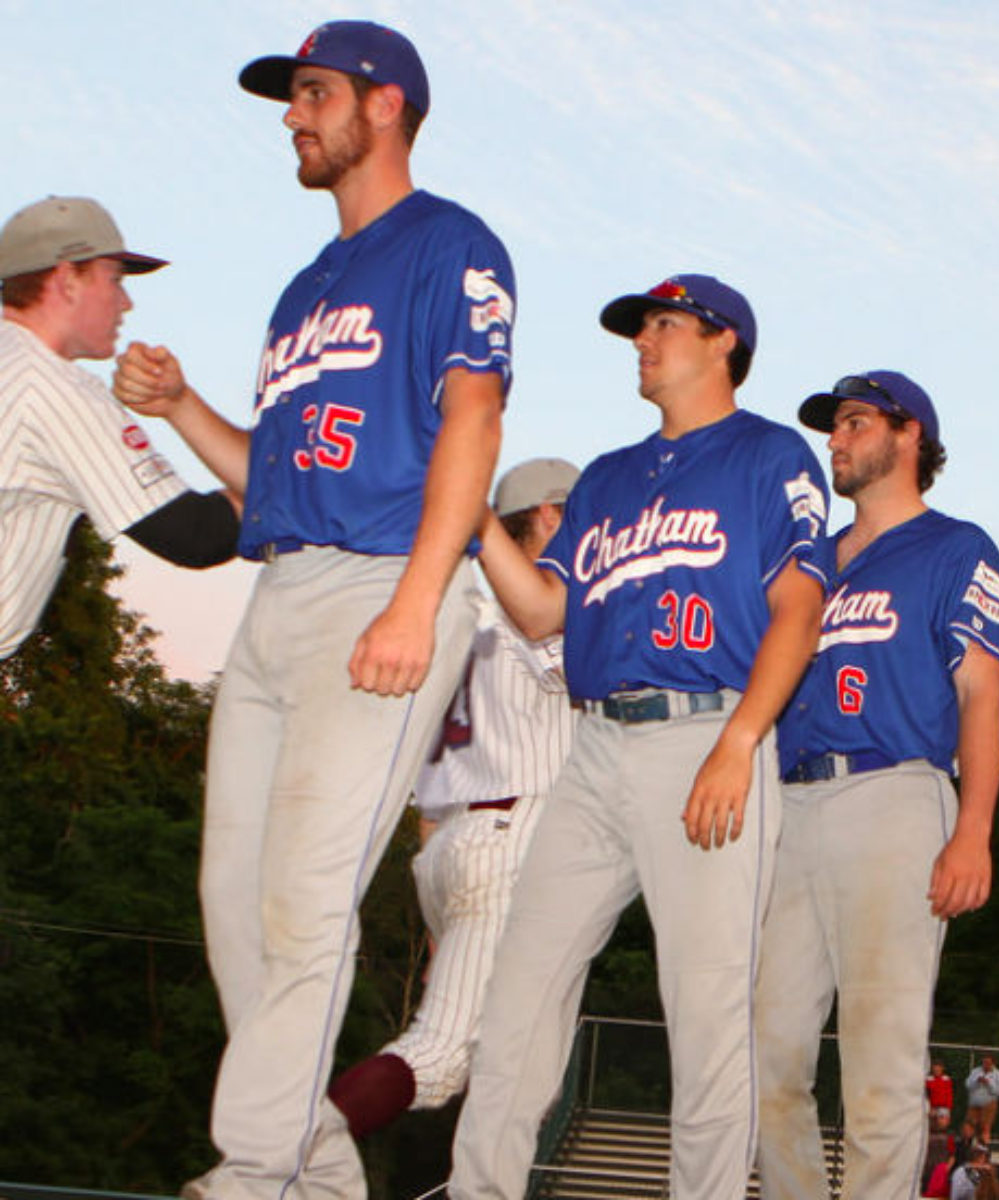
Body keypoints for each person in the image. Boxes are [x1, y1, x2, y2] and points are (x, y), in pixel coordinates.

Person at [111, 20, 513, 1198]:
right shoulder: (303, 291)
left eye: (315, 92)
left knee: (303, 898)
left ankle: (251, 1170)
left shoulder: (450, 245)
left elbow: (472, 425)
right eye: (293, 96)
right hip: (279, 588)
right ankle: (320, 1171)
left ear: (384, 107)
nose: (294, 114)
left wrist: (418, 595)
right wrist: (183, 407)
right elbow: (271, 482)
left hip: (382, 585)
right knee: (232, 900)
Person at [448, 272, 828, 1200]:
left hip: (703, 736)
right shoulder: (609, 476)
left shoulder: (770, 455)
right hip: (594, 749)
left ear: (722, 341)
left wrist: (740, 744)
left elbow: (800, 608)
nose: (642, 341)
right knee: (519, 998)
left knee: (704, 1015)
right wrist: (469, 519)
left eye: (662, 324)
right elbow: (543, 613)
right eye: (640, 328)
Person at [755, 370, 999, 1200]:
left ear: (909, 437)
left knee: (880, 1063)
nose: (837, 437)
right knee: (764, 1054)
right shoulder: (805, 560)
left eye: (856, 421)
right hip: (789, 800)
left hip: (893, 793)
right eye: (835, 426)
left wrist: (973, 830)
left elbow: (980, 690)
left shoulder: (956, 546)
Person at [323, 458, 578, 1138]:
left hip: (448, 849)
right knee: (438, 1059)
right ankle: (274, 1165)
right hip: (512, 843)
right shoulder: (544, 615)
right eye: (580, 513)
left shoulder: (456, 622)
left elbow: (428, 801)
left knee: (523, 1071)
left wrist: (438, 914)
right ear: (550, 516)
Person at [0, 195, 237, 660]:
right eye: (115, 279)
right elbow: (197, 535)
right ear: (67, 279)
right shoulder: (52, 387)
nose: (126, 302)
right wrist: (292, 476)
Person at [966, 1055, 999, 1144]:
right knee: (970, 1125)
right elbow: (968, 1085)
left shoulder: (997, 1074)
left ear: (993, 1063)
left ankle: (985, 1147)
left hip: (989, 1104)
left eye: (988, 1063)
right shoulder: (975, 1072)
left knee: (985, 1127)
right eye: (984, 1062)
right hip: (974, 1103)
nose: (986, 1065)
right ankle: (971, 1146)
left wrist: (989, 1084)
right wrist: (977, 1081)